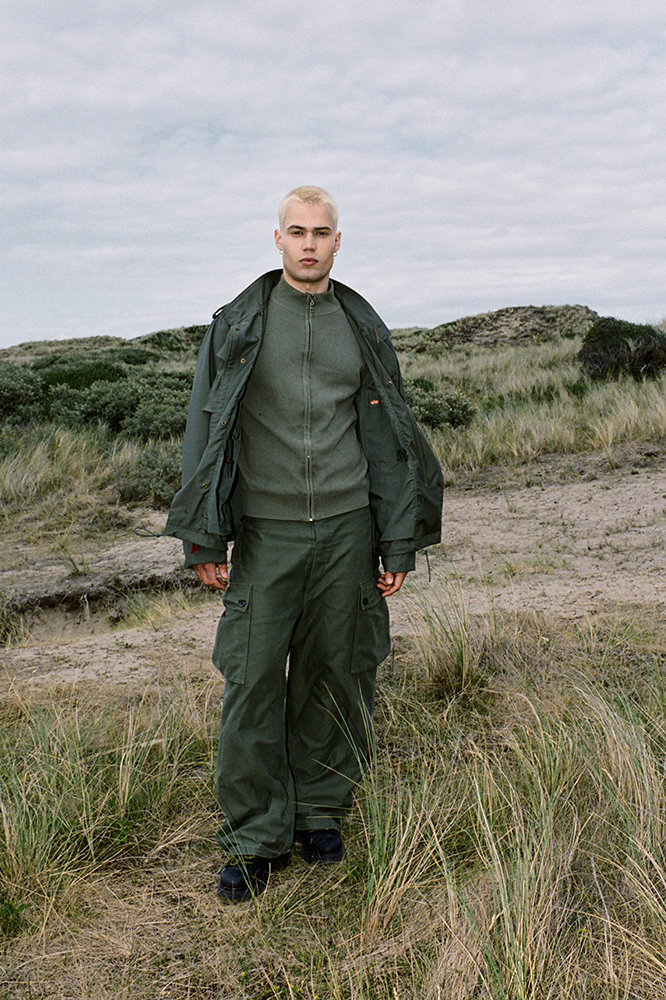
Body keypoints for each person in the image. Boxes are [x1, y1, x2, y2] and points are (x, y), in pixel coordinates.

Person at [164, 185, 443, 902]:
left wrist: (396, 541)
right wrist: (203, 538)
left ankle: (320, 810)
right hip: (267, 533)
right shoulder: (238, 324)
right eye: (297, 231)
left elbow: (390, 436)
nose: (309, 243)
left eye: (321, 232)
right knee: (252, 682)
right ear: (278, 239)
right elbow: (204, 429)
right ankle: (255, 837)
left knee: (337, 672)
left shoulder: (362, 324)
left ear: (337, 241)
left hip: (349, 529)